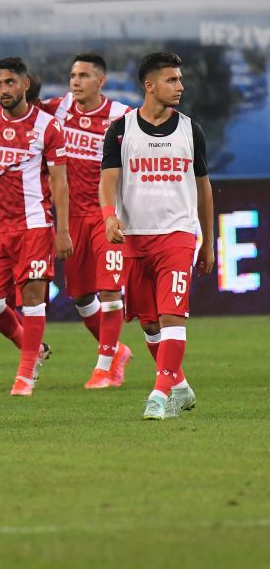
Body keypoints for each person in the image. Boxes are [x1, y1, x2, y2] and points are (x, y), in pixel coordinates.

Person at [100, 52, 213, 421]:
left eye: (180, 79)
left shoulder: (191, 130)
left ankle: (159, 395)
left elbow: (203, 188)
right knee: (150, 324)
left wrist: (208, 241)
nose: (180, 86)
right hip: (135, 238)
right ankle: (180, 387)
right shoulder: (121, 130)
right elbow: (108, 182)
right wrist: (109, 216)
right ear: (150, 86)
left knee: (171, 316)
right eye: (171, 80)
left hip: (177, 236)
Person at [0, 57, 72, 397]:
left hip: (33, 226)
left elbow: (60, 182)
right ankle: (32, 349)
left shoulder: (48, 127)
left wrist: (62, 230)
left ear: (25, 84)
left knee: (33, 301)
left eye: (10, 82)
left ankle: (25, 375)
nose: (3, 90)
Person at [39, 54, 133, 388]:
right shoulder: (57, 109)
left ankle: (105, 367)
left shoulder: (122, 117)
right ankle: (117, 351)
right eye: (73, 75)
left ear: (101, 81)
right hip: (71, 216)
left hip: (107, 215)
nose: (76, 82)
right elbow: (23, 114)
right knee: (80, 296)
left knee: (110, 289)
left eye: (84, 75)